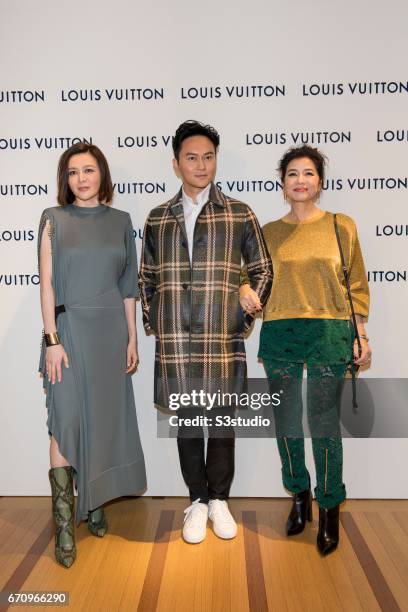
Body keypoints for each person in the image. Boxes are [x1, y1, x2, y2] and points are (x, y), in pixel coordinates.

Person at [139, 120, 272, 544]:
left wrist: (245, 305)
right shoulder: (159, 217)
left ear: (217, 160)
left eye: (208, 157)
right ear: (176, 164)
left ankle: (220, 500)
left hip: (221, 336)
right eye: (191, 157)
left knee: (222, 420)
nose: (201, 165)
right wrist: (157, 320)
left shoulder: (238, 213)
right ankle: (196, 501)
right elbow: (146, 277)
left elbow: (263, 268)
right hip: (176, 339)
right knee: (189, 422)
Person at [240, 145, 371, 555]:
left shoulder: (340, 226)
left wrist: (360, 334)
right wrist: (243, 288)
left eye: (309, 173)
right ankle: (299, 497)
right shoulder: (269, 232)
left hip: (330, 334)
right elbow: (249, 276)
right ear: (283, 183)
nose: (301, 180)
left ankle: (330, 506)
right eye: (293, 173)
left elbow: (357, 286)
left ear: (320, 181)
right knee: (287, 422)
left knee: (325, 424)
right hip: (280, 333)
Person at [38, 143, 146, 567]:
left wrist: (132, 338)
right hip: (68, 333)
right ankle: (65, 526)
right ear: (65, 179)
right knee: (65, 423)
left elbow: (127, 287)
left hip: (110, 334)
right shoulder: (53, 220)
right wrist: (51, 340)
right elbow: (46, 284)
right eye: (72, 172)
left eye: (89, 169)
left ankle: (95, 502)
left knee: (100, 421)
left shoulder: (121, 221)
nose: (81, 178)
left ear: (102, 174)